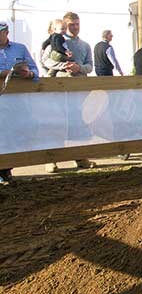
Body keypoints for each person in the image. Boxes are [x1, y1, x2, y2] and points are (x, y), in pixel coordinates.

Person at [42, 12, 96, 171]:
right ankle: (51, 160)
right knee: (57, 123)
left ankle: (80, 157)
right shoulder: (56, 41)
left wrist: (79, 67)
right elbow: (45, 60)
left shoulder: (85, 45)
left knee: (78, 124)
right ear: (65, 26)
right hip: (59, 87)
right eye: (72, 25)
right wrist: (63, 66)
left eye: (77, 24)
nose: (75, 27)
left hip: (79, 88)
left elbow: (90, 66)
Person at [0, 20, 38, 185]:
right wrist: (3, 73)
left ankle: (7, 168)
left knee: (17, 131)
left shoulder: (20, 48)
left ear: (6, 32)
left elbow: (35, 69)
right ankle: (4, 171)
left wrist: (29, 74)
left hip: (17, 101)